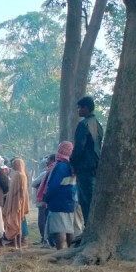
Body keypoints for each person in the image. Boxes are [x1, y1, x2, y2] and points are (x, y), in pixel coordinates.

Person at [70, 96, 103, 225]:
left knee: (85, 199)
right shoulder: (98, 124)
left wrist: (72, 162)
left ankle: (88, 227)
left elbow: (79, 147)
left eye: (80, 108)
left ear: (86, 108)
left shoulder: (83, 125)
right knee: (92, 198)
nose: (78, 111)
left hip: (84, 167)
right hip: (95, 166)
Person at [44, 142, 77, 250]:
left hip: (58, 202)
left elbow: (53, 186)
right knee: (69, 230)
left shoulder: (60, 166)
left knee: (59, 230)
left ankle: (60, 253)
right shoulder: (72, 166)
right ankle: (70, 251)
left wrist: (47, 197)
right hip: (70, 202)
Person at [4, 158, 30, 249]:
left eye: (15, 164)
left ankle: (17, 244)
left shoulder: (19, 175)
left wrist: (16, 199)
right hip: (17, 201)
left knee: (15, 222)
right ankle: (16, 243)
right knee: (17, 222)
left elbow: (21, 191)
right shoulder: (22, 175)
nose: (13, 165)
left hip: (16, 202)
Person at [32, 155, 55, 246]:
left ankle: (45, 239)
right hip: (46, 200)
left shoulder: (45, 172)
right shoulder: (50, 170)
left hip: (43, 200)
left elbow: (33, 183)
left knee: (42, 221)